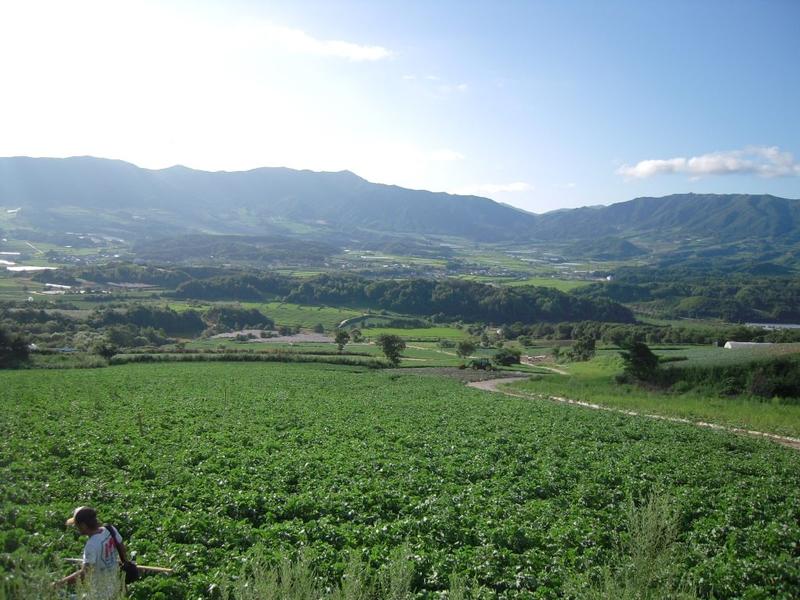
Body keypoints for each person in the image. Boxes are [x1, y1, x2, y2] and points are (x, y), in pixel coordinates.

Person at [54, 506, 126, 599]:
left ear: (83, 525)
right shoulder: (110, 529)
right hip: (116, 585)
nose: (76, 528)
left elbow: (85, 573)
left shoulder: (91, 545)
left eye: (77, 525)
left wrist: (58, 584)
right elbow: (122, 548)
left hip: (100, 593)